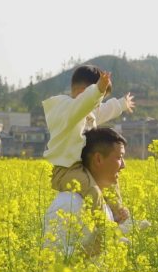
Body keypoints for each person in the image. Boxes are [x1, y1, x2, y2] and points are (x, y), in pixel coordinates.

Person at [42, 65, 134, 224]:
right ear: (85, 93)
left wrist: (121, 104)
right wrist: (98, 89)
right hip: (67, 171)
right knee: (93, 191)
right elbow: (86, 103)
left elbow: (102, 111)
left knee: (111, 181)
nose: (99, 105)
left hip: (84, 167)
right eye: (100, 99)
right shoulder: (66, 110)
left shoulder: (83, 111)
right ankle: (105, 229)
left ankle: (120, 216)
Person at [44, 127, 138, 256]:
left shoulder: (102, 203)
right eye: (119, 157)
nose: (123, 165)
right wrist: (98, 244)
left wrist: (115, 224)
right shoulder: (68, 203)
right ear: (98, 159)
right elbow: (51, 258)